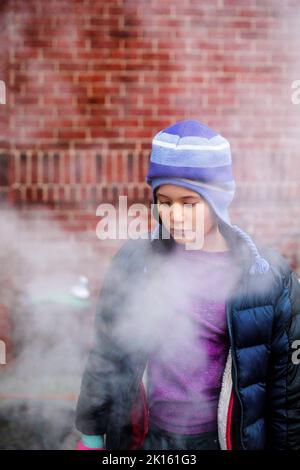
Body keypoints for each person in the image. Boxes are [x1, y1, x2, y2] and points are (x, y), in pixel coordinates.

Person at [75, 119, 300, 450]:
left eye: (189, 203)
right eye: (164, 202)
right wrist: (91, 433)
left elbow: (286, 392)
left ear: (219, 200)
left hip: (223, 441)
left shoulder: (267, 276)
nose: (174, 215)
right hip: (146, 439)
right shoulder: (135, 263)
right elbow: (108, 354)